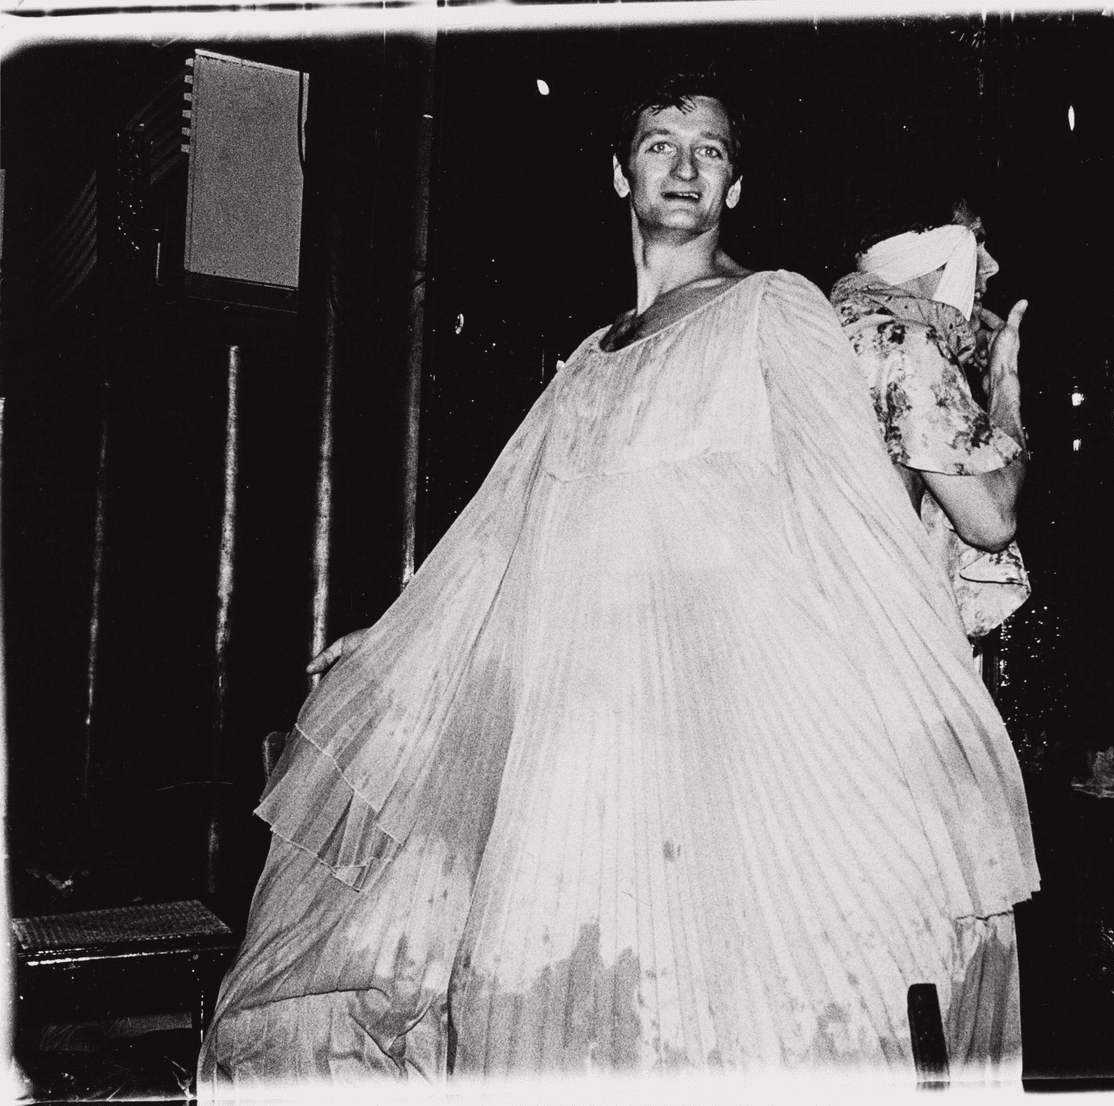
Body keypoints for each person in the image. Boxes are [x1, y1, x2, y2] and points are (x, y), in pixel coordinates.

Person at [198, 75, 1038, 1092]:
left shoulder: (779, 310)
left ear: (735, 184)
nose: (684, 165)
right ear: (619, 171)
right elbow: (502, 542)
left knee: (747, 1006)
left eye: (711, 149)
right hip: (582, 756)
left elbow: (859, 524)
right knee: (541, 999)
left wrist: (924, 731)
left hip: (724, 759)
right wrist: (390, 645)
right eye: (660, 142)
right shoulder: (586, 365)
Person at [829, 198, 1032, 645]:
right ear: (925, 249)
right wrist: (1004, 381)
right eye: (976, 241)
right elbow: (992, 521)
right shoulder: (903, 343)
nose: (991, 267)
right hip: (885, 656)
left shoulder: (841, 325)